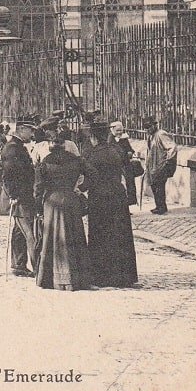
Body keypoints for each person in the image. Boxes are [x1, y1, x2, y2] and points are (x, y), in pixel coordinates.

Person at [80, 119, 139, 287]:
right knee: (120, 234)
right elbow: (127, 170)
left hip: (99, 197)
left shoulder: (91, 154)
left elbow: (89, 178)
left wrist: (79, 190)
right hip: (118, 195)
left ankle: (101, 275)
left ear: (93, 136)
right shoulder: (117, 150)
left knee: (100, 234)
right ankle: (124, 275)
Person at [34, 128, 91, 291]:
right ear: (65, 145)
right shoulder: (76, 160)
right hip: (71, 201)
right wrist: (80, 188)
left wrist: (38, 207)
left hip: (52, 203)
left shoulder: (45, 162)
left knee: (52, 239)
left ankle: (50, 278)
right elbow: (93, 174)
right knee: (74, 237)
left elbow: (38, 188)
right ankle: (78, 278)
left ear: (51, 145)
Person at [0, 115, 40, 277]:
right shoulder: (13, 148)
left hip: (23, 194)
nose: (31, 134)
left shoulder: (18, 146)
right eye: (30, 130)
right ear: (22, 129)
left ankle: (18, 264)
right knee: (30, 232)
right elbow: (8, 175)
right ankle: (38, 268)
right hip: (21, 197)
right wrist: (14, 195)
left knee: (19, 232)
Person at [143, 117, 178, 215]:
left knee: (159, 186)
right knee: (155, 186)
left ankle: (162, 207)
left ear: (154, 125)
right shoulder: (151, 136)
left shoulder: (161, 134)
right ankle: (159, 206)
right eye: (146, 128)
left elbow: (172, 147)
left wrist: (167, 161)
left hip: (160, 165)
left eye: (149, 127)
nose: (147, 129)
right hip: (153, 166)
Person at [109, 120, 139, 206]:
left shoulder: (124, 138)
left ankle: (129, 203)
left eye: (121, 130)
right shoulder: (110, 139)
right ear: (112, 130)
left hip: (126, 165)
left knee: (129, 185)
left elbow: (130, 149)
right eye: (117, 130)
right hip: (116, 167)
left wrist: (130, 152)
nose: (119, 132)